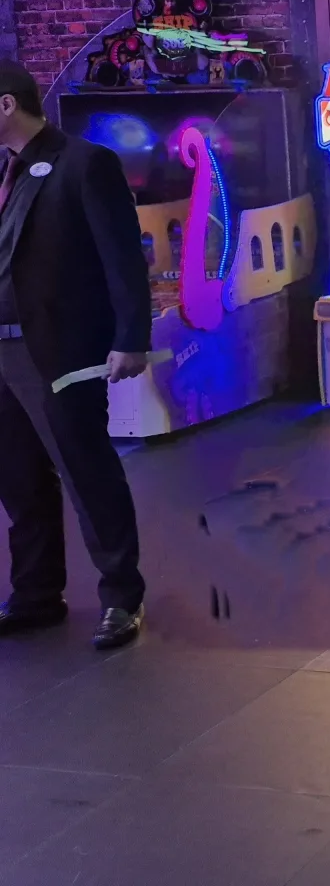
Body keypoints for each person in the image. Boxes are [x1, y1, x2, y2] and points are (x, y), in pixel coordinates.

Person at [0, 60, 151, 649]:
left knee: (86, 473)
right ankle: (36, 595)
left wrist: (131, 337)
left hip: (59, 350)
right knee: (18, 480)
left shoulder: (85, 163)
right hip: (2, 348)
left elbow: (123, 258)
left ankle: (122, 596)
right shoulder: (5, 169)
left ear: (7, 104)